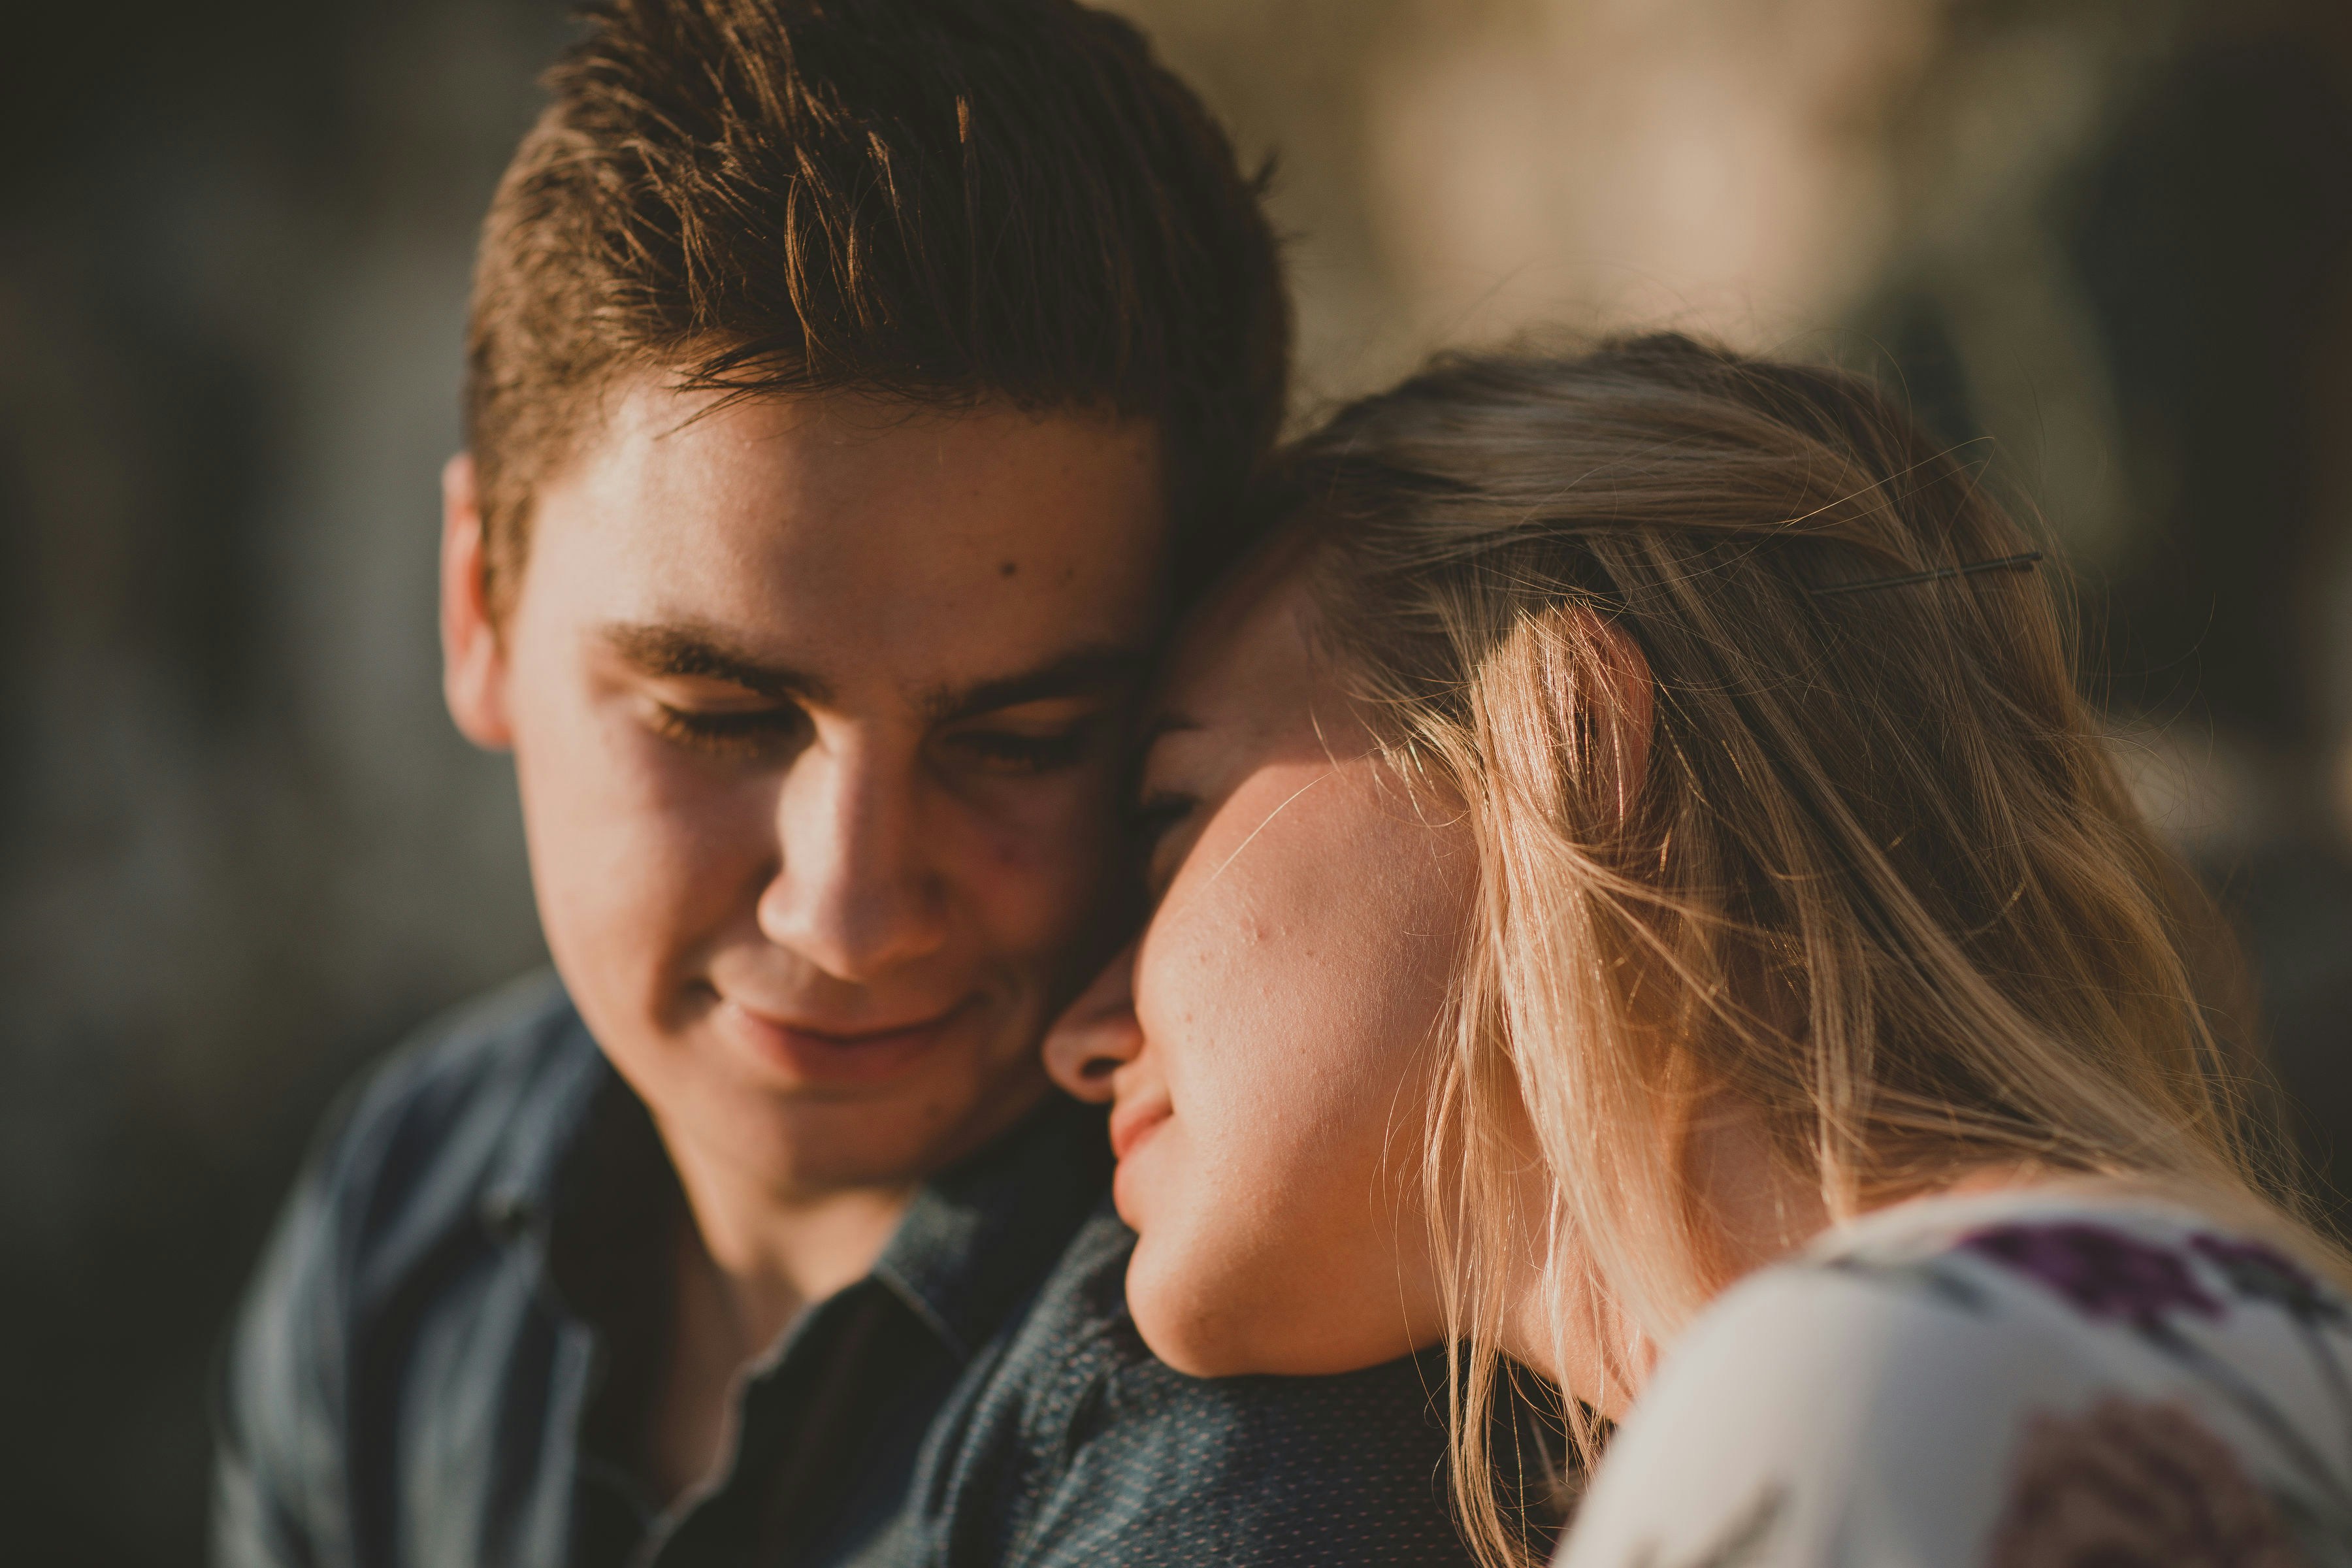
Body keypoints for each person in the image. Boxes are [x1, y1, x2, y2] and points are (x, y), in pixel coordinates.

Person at [211, 3, 1479, 1565]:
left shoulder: (1258, 1401)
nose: (852, 910)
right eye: (718, 713)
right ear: (477, 605)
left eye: (1020, 742)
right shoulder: (406, 1203)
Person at [1044, 333, 2352, 1567]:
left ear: (1559, 740)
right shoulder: (2215, 1328)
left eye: (1171, 817)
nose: (1079, 1033)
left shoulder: (1870, 1391)